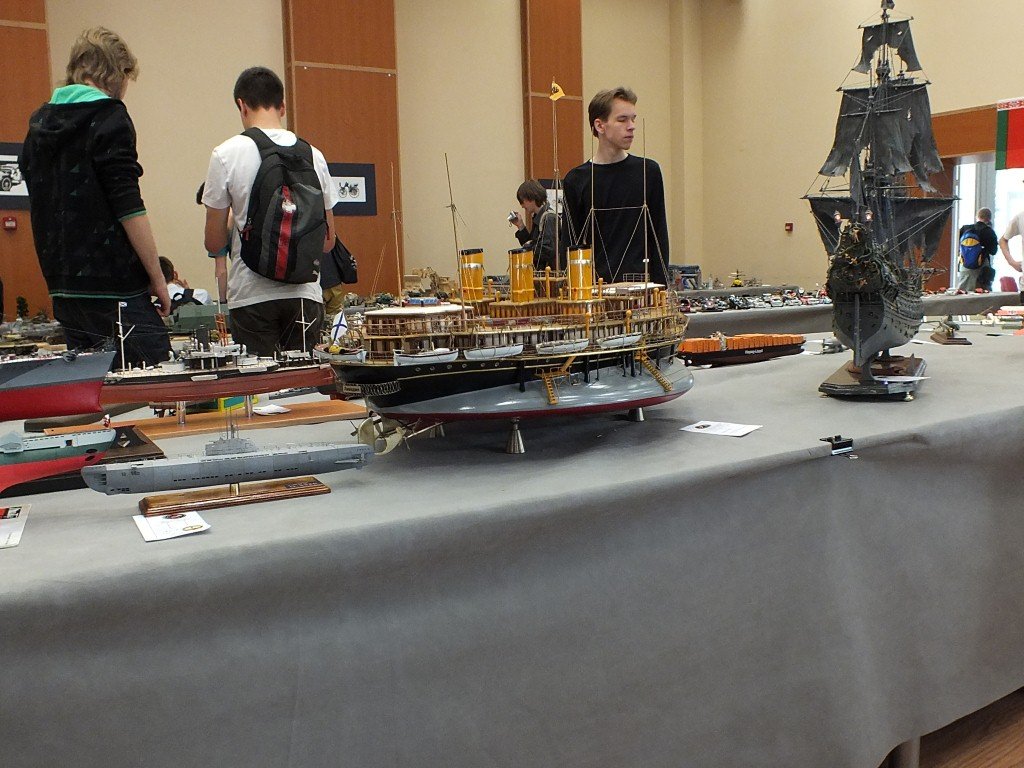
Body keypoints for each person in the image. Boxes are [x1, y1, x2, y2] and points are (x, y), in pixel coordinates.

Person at [19, 27, 171, 367]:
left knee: (95, 386)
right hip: (115, 287)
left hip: (63, 289)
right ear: (115, 72)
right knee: (158, 373)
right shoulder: (109, 117)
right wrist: (158, 278)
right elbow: (129, 206)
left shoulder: (38, 124)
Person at [202, 66, 338, 356]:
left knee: (261, 381)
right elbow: (328, 242)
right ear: (283, 106)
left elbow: (213, 243)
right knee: (303, 382)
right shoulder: (314, 155)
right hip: (305, 296)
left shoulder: (225, 154)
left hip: (251, 296)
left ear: (241, 105)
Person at [561, 86, 670, 286]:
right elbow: (569, 245)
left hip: (642, 291)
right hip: (595, 292)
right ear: (600, 125)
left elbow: (659, 237)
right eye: (622, 120)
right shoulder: (576, 180)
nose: (631, 126)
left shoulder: (648, 171)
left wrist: (660, 290)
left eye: (633, 119)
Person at [510, 179, 559, 271]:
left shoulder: (549, 217)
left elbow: (547, 250)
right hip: (540, 273)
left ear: (531, 197)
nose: (522, 205)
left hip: (548, 275)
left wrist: (528, 246)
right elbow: (531, 244)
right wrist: (520, 226)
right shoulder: (538, 217)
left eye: (522, 201)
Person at [957, 207, 998, 291]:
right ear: (989, 218)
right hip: (981, 269)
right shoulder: (988, 231)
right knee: (981, 295)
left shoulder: (964, 229)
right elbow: (993, 251)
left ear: (977, 216)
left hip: (965, 267)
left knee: (963, 294)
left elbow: (957, 246)